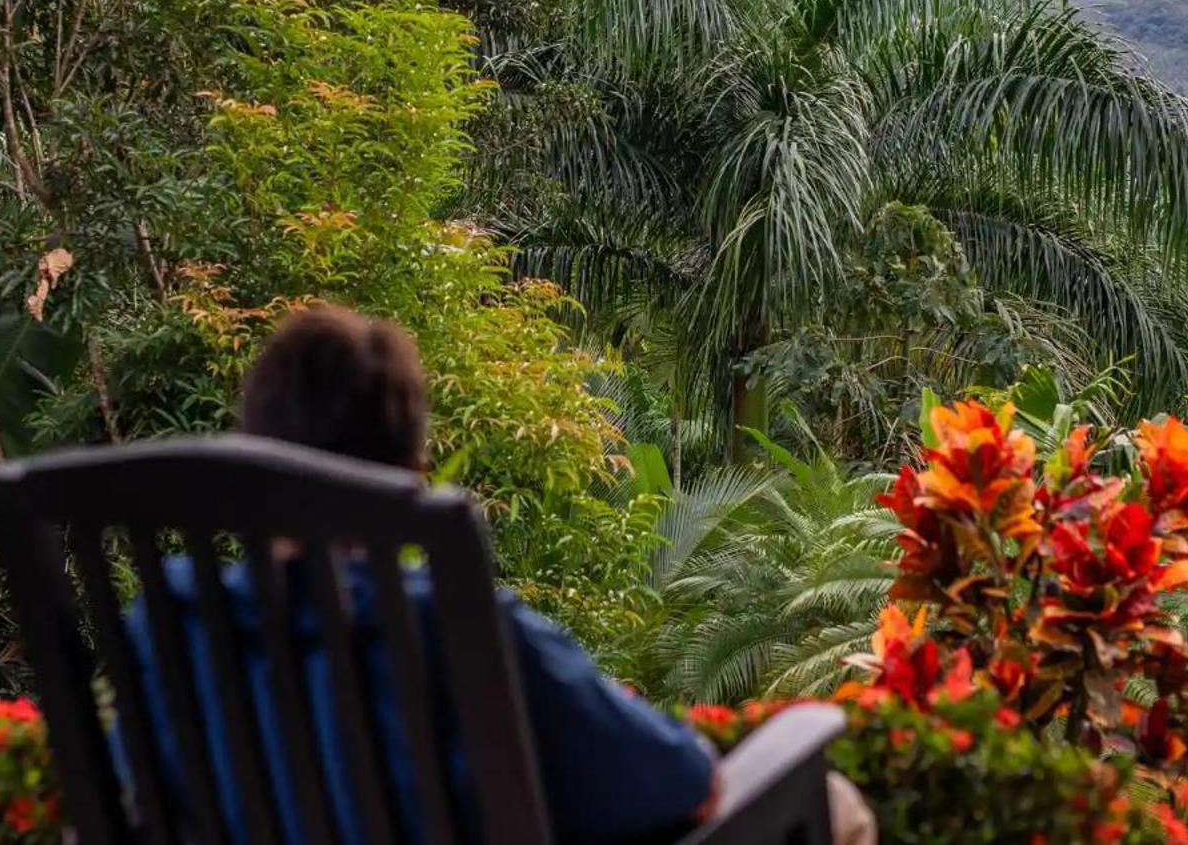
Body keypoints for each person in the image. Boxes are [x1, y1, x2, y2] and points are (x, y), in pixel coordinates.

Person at [122, 303, 874, 845]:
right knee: (832, 802)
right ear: (411, 477)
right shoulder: (458, 626)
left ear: (252, 457)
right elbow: (688, 785)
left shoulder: (166, 628)